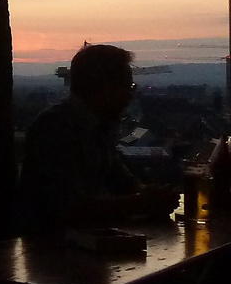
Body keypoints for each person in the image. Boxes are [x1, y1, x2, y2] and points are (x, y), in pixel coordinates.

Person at [16, 43, 177, 233]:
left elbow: (122, 183)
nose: (131, 95)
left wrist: (147, 194)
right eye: (129, 87)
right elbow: (70, 208)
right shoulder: (54, 128)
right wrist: (142, 202)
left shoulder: (99, 126)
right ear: (105, 87)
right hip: (49, 249)